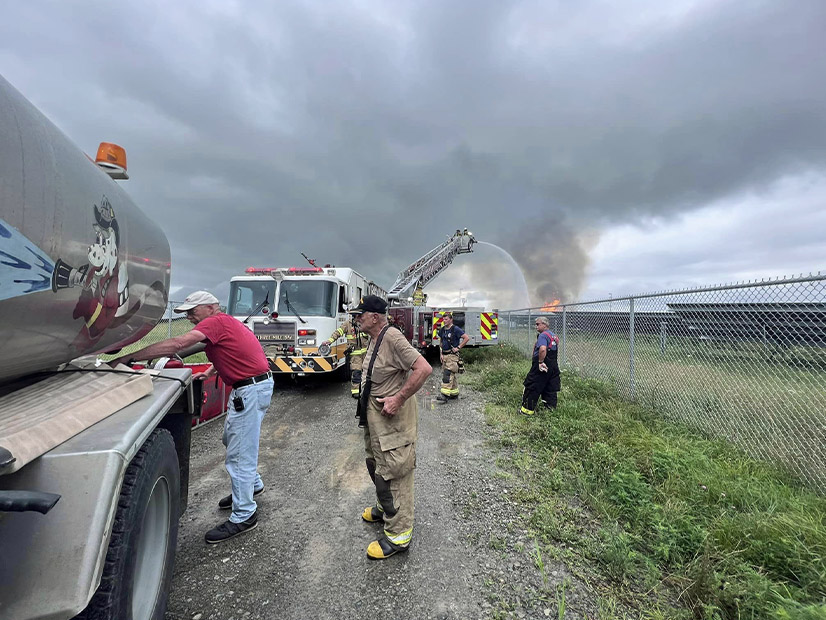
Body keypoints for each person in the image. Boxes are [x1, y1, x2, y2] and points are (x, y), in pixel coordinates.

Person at [110, 290, 274, 544]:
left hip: (249, 389)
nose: (188, 316)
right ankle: (251, 486)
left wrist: (130, 356)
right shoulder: (225, 323)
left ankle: (244, 514)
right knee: (233, 440)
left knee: (240, 452)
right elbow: (232, 352)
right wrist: (209, 373)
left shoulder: (214, 322)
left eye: (192, 310)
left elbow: (178, 344)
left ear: (210, 307)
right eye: (185, 312)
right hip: (252, 386)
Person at [350, 295, 430, 559]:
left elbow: (423, 368)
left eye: (360, 314)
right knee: (376, 465)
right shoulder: (374, 337)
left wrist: (399, 398)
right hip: (375, 418)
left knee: (395, 471)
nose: (356, 318)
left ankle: (398, 536)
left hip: (392, 421)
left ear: (375, 316)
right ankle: (385, 508)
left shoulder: (392, 337)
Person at [520, 316, 561, 416]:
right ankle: (550, 411)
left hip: (542, 365)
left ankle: (526, 411)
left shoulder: (543, 335)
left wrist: (540, 362)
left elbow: (543, 349)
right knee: (550, 388)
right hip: (553, 366)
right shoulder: (553, 335)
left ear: (544, 324)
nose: (536, 326)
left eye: (538, 324)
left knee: (533, 386)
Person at [323, 315, 369, 398]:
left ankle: (366, 390)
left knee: (368, 371)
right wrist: (329, 341)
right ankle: (356, 391)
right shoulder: (347, 324)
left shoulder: (364, 323)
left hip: (366, 352)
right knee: (356, 372)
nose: (358, 318)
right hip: (355, 354)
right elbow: (338, 333)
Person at [436, 312, 469, 403]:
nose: (444, 321)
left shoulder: (456, 329)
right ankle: (454, 393)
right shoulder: (442, 330)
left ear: (451, 320)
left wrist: (458, 347)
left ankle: (444, 395)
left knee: (448, 374)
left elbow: (466, 338)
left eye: (446, 319)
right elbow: (441, 342)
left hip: (452, 356)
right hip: (445, 355)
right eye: (443, 319)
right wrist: (441, 354)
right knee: (451, 374)